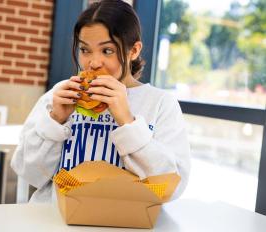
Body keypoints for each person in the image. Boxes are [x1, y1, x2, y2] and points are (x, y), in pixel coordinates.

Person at [11, 0, 190, 202]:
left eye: (107, 51)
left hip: (125, 222)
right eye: (85, 50)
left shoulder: (160, 104)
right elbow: (28, 173)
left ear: (134, 50)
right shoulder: (60, 95)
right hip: (56, 219)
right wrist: (55, 120)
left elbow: (170, 190)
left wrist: (127, 122)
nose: (93, 63)